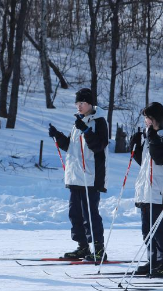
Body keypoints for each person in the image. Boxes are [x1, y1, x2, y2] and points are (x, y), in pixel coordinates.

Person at [48, 88, 109, 262]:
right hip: (75, 176)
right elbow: (70, 146)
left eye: (82, 103)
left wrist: (86, 131)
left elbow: (99, 146)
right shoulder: (79, 122)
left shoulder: (99, 122)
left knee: (90, 214)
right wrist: (58, 136)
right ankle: (82, 246)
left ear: (90, 103)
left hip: (90, 176)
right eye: (77, 103)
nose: (79, 106)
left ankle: (99, 249)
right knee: (75, 214)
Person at [130, 102, 163, 276]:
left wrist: (152, 138)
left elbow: (161, 159)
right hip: (146, 190)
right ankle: (154, 260)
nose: (145, 122)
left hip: (160, 190)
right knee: (147, 230)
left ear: (156, 119)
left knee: (161, 229)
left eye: (148, 118)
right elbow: (145, 164)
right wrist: (134, 147)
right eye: (144, 118)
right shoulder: (150, 137)